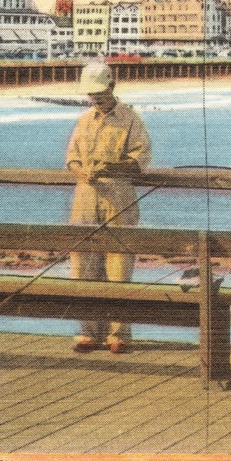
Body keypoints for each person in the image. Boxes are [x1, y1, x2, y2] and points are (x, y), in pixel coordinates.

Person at [65, 61, 152, 354]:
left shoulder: (131, 118)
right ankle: (88, 331)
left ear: (112, 87)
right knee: (83, 265)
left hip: (119, 198)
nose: (96, 99)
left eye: (100, 93)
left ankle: (119, 333)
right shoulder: (84, 120)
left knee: (119, 266)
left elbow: (141, 158)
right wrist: (82, 172)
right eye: (91, 95)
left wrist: (112, 166)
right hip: (86, 199)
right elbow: (72, 159)